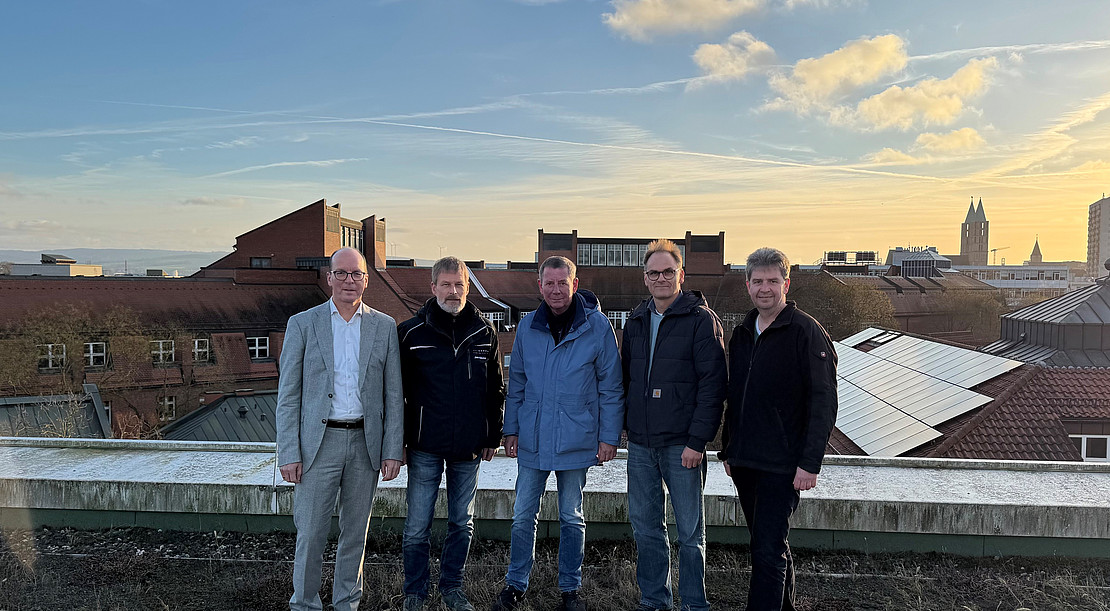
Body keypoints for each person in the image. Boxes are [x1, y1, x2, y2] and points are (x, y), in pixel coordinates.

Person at [491, 256, 624, 611]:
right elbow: (516, 382)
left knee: (571, 516)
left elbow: (611, 387)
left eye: (562, 283)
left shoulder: (597, 327)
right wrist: (511, 429)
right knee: (523, 515)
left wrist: (609, 437)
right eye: (548, 283)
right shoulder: (527, 328)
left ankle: (571, 589)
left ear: (574, 284)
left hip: (576, 437)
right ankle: (515, 584)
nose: (555, 290)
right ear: (540, 286)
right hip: (533, 436)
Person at [276, 247, 404, 611]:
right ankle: (304, 604)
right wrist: (289, 452)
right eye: (342, 273)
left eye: (357, 274)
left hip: (366, 444)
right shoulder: (303, 323)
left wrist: (392, 448)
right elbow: (288, 395)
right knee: (312, 532)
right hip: (319, 444)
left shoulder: (384, 326)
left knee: (355, 535)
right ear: (329, 277)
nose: (350, 280)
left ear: (367, 279)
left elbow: (393, 394)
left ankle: (347, 603)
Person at [719, 247, 838, 611]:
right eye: (758, 281)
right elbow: (735, 395)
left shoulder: (807, 332)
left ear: (787, 283)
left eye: (773, 280)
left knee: (767, 551)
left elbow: (824, 403)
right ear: (747, 284)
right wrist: (729, 448)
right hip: (745, 460)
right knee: (768, 544)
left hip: (782, 464)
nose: (765, 288)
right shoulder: (741, 332)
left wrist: (810, 462)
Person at [621, 239, 727, 611]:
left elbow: (713, 386)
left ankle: (695, 605)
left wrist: (698, 442)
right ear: (645, 278)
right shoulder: (635, 320)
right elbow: (626, 378)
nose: (661, 278)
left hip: (683, 446)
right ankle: (654, 600)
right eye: (654, 273)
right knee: (647, 529)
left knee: (690, 533)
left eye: (668, 271)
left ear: (681, 275)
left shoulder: (701, 320)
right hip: (640, 445)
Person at [398, 256, 506, 611]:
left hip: (469, 446)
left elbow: (496, 389)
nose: (453, 291)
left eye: (459, 284)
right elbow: (394, 392)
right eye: (446, 284)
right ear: (433, 288)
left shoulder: (484, 332)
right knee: (417, 524)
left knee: (462, 522)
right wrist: (395, 441)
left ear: (468, 287)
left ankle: (452, 588)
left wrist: (492, 435)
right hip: (424, 443)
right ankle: (415, 592)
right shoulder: (411, 332)